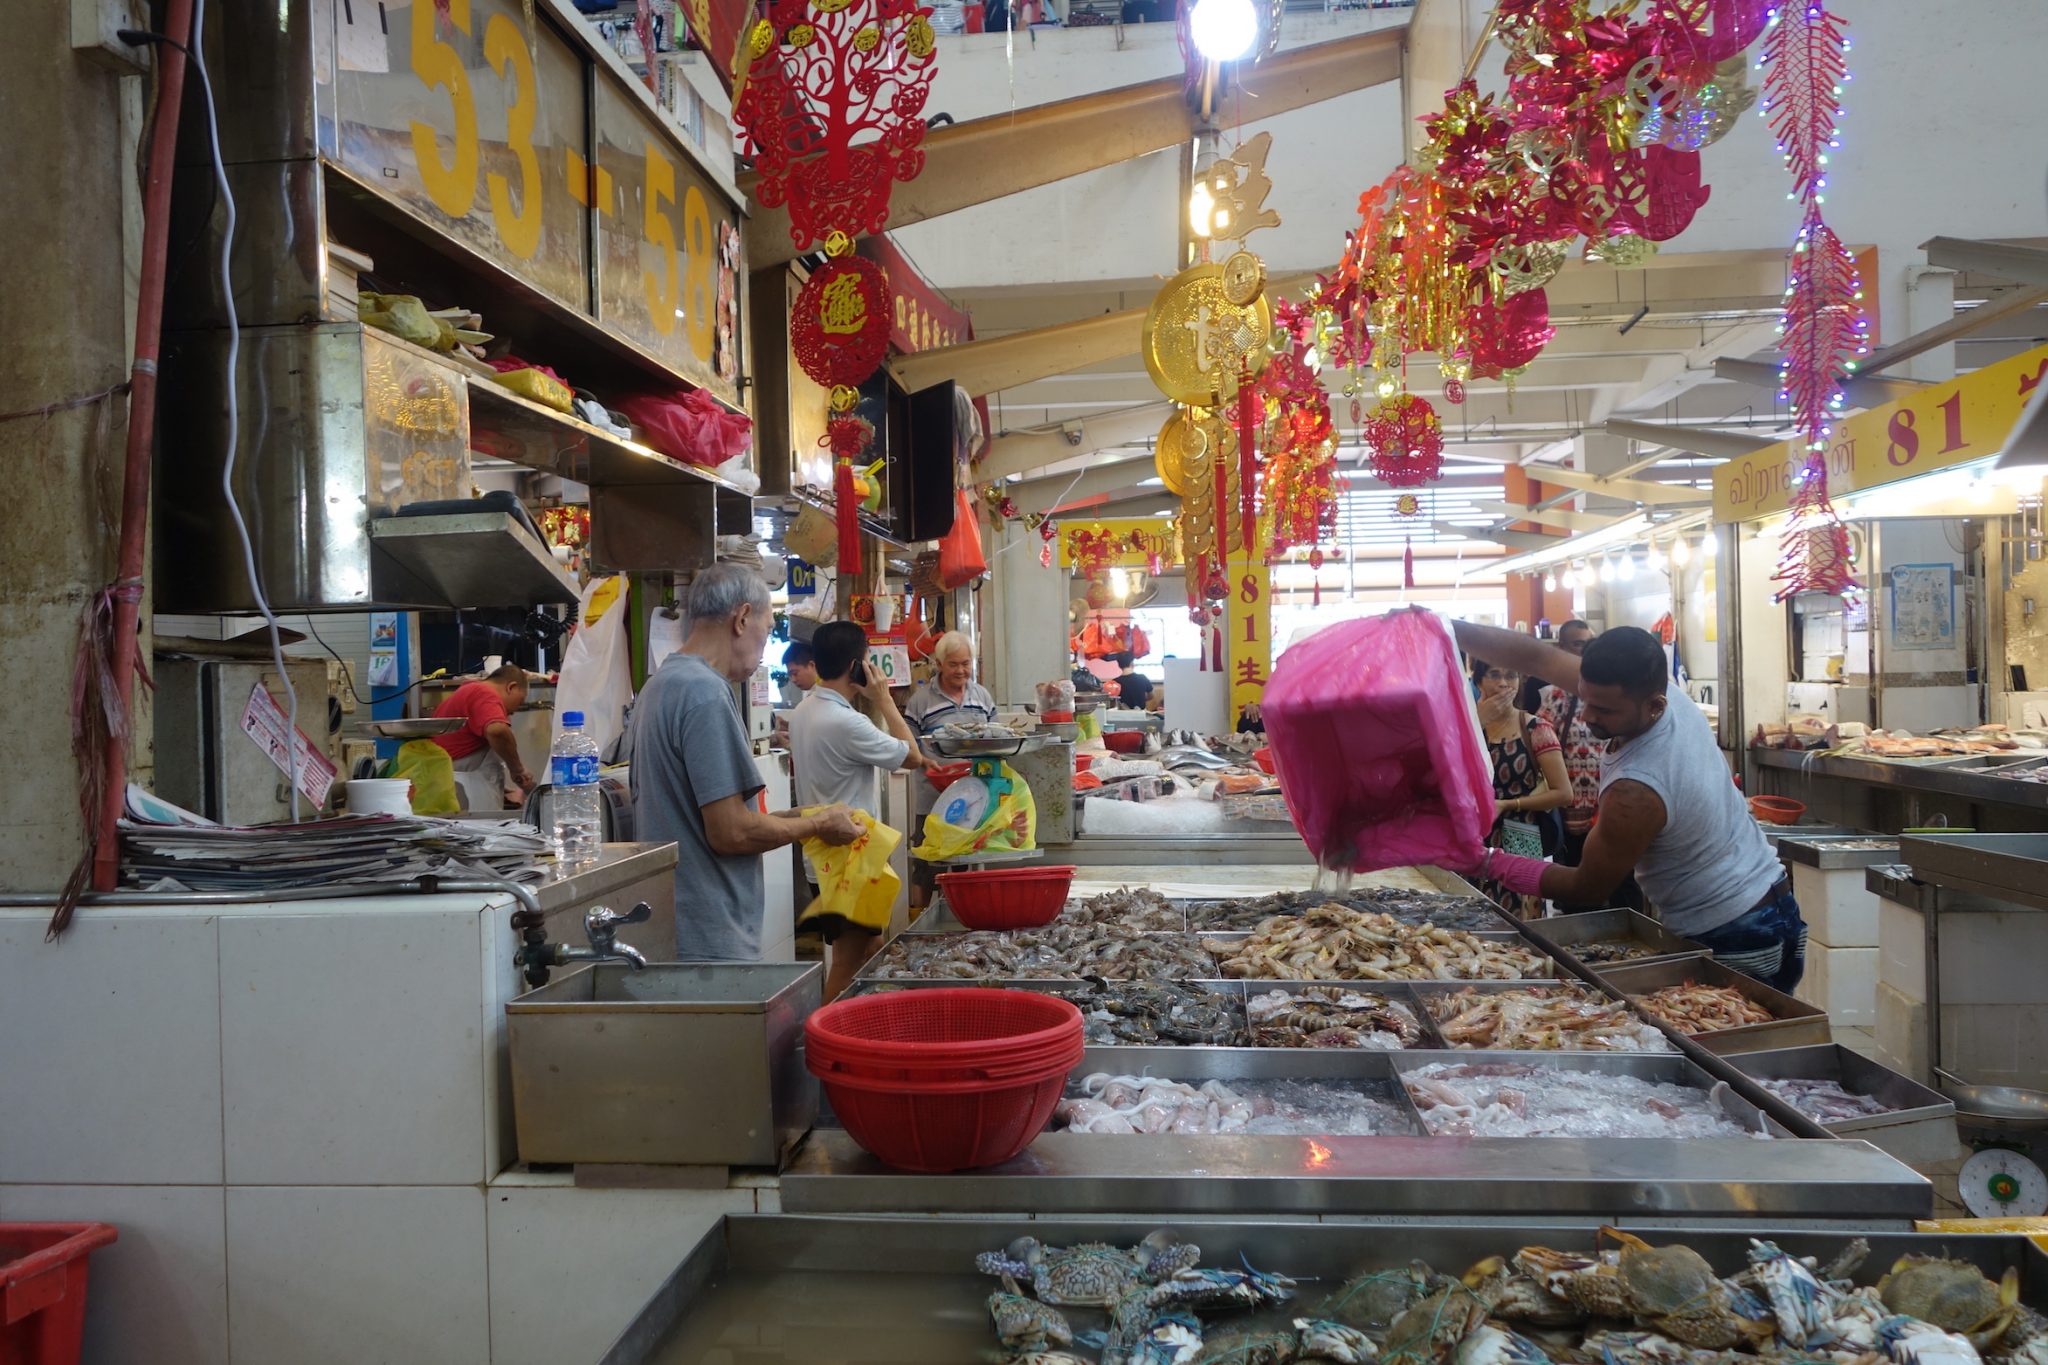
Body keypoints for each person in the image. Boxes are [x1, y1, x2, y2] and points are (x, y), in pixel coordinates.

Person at [1445, 620, 1806, 990]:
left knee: (1726, 1042)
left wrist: (1486, 861)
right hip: (1769, 903)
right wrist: (1444, 626)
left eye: (1603, 710)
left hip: (1735, 933)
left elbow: (1587, 887)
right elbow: (1534, 655)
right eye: (1585, 700)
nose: (1587, 716)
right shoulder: (1658, 694)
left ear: (1654, 705)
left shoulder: (1637, 789)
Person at [629, 562, 863, 960]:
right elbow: (731, 833)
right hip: (708, 937)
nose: (764, 645)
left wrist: (800, 815)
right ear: (741, 619)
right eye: (767, 630)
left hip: (674, 927)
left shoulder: (659, 685)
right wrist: (819, 825)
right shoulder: (704, 693)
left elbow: (702, 818)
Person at [789, 621, 926, 999]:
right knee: (846, 964)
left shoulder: (804, 711)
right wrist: (883, 699)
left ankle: (857, 1025)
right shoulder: (848, 722)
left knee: (871, 946)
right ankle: (825, 1044)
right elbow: (913, 756)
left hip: (823, 857)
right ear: (856, 666)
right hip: (850, 860)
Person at [1534, 619, 1641, 909]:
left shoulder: (1621, 693)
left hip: (1611, 807)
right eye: (1577, 644)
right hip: (1569, 809)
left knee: (1623, 884)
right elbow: (1540, 745)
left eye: (1588, 643)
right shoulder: (1555, 695)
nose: (1585, 651)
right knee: (1577, 888)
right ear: (1561, 648)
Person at [1468, 657, 1572, 916]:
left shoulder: (1535, 728)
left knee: (1519, 918)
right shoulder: (1465, 727)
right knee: (1468, 915)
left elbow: (1563, 793)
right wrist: (1475, 723)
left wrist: (1506, 804)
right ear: (1478, 680)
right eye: (1494, 674)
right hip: (1471, 835)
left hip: (1521, 834)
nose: (1503, 683)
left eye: (1511, 675)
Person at [904, 631, 998, 909]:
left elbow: (995, 737)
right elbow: (907, 744)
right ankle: (919, 922)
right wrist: (924, 760)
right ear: (939, 663)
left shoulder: (982, 696)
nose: (961, 671)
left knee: (966, 864)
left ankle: (961, 917)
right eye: (954, 664)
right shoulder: (921, 701)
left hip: (976, 797)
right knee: (926, 865)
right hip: (933, 799)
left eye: (966, 664)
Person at [430, 664, 536, 807]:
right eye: (520, 701)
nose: (515, 710)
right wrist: (517, 768)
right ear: (511, 687)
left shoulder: (469, 690)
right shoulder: (484, 693)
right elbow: (497, 732)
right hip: (461, 787)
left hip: (451, 781)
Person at [780, 640, 818, 706]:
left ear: (811, 665)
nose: (793, 680)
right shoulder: (809, 692)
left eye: (795, 673)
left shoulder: (826, 693)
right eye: (790, 675)